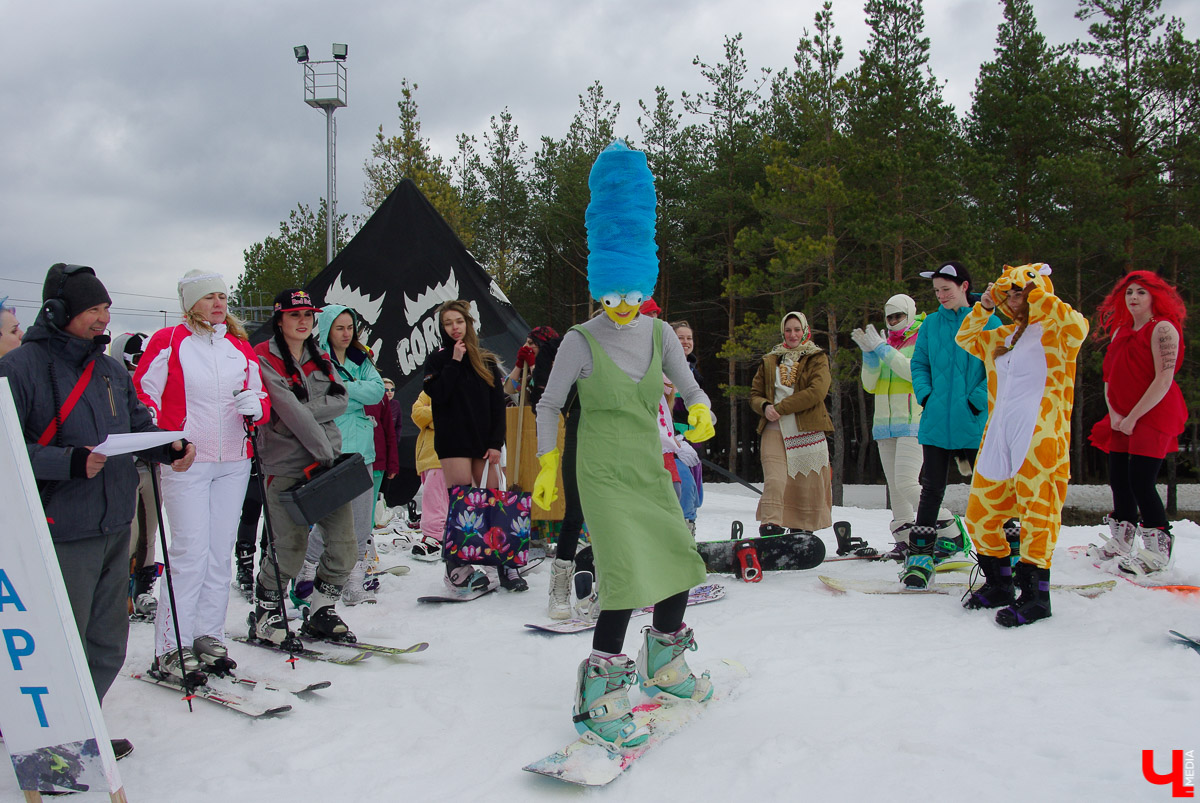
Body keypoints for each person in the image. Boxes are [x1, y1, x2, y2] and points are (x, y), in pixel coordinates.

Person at [533, 140, 717, 749]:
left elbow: (691, 387)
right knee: (619, 575)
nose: (620, 309)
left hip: (647, 465)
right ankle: (600, 694)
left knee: (674, 560)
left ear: (644, 286)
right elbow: (549, 403)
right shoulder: (580, 340)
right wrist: (547, 462)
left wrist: (701, 410)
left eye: (630, 297)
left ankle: (663, 665)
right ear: (598, 287)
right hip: (602, 472)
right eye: (609, 298)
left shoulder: (660, 332)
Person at [0, 263, 195, 758]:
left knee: (107, 640)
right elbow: (7, 447)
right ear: (59, 311)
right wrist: (67, 463)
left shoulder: (110, 369)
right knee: (59, 642)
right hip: (61, 528)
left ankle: (82, 723)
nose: (103, 318)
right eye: (92, 309)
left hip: (115, 523)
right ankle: (47, 739)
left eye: (106, 308)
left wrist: (167, 448)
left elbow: (135, 425)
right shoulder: (20, 367)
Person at [134, 270, 267, 677]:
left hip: (233, 461)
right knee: (189, 551)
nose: (218, 304)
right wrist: (165, 439)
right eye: (209, 297)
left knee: (218, 551)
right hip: (187, 461)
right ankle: (170, 644)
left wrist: (254, 406)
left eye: (223, 297)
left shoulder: (238, 347)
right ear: (191, 303)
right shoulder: (169, 341)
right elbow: (142, 393)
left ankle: (208, 634)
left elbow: (260, 396)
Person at [956, 263, 1088, 626]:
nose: (1015, 300)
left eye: (1021, 293)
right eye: (1010, 294)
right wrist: (983, 306)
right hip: (999, 436)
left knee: (1037, 515)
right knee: (980, 515)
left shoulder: (1059, 332)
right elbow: (965, 339)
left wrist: (1036, 291)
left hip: (1040, 439)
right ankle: (999, 584)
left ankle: (1035, 597)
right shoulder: (1002, 338)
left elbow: (1079, 324)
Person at [251, 289, 358, 644]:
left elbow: (341, 399)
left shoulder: (320, 355)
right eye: (294, 315)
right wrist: (301, 420)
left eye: (308, 315)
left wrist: (296, 413)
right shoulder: (262, 357)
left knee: (345, 545)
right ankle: (266, 615)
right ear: (279, 319)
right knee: (289, 549)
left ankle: (321, 611)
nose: (302, 321)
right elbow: (284, 406)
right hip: (287, 464)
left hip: (326, 464)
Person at [1087, 270, 1188, 576]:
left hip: (1153, 414)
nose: (1133, 298)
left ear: (1156, 296)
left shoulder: (1163, 329)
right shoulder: (1120, 330)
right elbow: (1109, 376)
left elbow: (1164, 378)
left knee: (1141, 481)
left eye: (1141, 292)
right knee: (1119, 478)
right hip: (1121, 417)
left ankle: (1158, 552)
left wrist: (1133, 416)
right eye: (1129, 292)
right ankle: (1121, 540)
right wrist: (1116, 414)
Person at [907, 261, 998, 589]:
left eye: (946, 289)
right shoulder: (930, 324)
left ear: (964, 286)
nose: (941, 295)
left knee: (989, 492)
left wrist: (976, 401)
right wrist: (927, 395)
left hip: (973, 422)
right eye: (936, 291)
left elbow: (998, 368)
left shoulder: (989, 321)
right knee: (931, 489)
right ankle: (919, 559)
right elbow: (919, 363)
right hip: (935, 421)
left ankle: (1001, 558)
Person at [422, 299, 521, 592]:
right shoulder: (437, 359)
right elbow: (438, 394)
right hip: (453, 441)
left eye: (459, 322)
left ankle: (506, 563)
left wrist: (495, 443)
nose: (455, 328)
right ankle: (458, 567)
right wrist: (454, 360)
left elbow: (497, 406)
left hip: (483, 441)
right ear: (442, 328)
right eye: (448, 323)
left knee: (493, 500)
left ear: (469, 323)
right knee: (463, 502)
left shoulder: (486, 359)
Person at [297, 305, 385, 606]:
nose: (347, 334)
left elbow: (377, 393)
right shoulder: (316, 357)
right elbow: (319, 396)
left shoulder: (361, 357)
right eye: (340, 328)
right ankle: (307, 571)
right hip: (331, 447)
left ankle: (354, 581)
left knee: (362, 521)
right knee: (331, 519)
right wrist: (354, 393)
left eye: (351, 327)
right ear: (327, 328)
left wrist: (344, 390)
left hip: (362, 448)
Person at [850, 294, 928, 558]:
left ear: (910, 313)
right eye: (889, 317)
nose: (893, 321)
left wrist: (883, 349)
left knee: (908, 483)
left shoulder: (921, 338)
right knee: (895, 488)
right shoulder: (885, 342)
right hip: (885, 426)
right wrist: (870, 356)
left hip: (913, 423)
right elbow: (870, 385)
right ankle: (906, 541)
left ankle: (947, 528)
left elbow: (911, 372)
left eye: (898, 316)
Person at [749, 311, 834, 537]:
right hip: (774, 429)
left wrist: (781, 407)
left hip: (806, 427)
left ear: (805, 330)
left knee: (805, 483)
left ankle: (802, 529)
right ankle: (771, 526)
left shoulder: (816, 357)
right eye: (788, 330)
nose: (793, 334)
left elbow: (817, 391)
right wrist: (765, 406)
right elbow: (755, 394)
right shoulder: (771, 359)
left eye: (797, 330)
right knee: (775, 479)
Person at [109, 331, 159, 621]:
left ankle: (144, 588)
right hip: (125, 467)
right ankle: (121, 590)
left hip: (150, 465)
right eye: (136, 359)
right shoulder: (112, 383)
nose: (141, 366)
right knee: (130, 533)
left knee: (149, 531)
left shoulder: (150, 382)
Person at [670, 320, 704, 534]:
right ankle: (684, 528)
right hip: (670, 441)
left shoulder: (694, 372)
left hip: (691, 441)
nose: (685, 342)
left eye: (689, 338)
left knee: (695, 494)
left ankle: (687, 525)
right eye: (680, 337)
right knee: (684, 484)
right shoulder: (662, 368)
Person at [410, 389, 447, 558]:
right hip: (426, 456)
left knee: (435, 498)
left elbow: (455, 415)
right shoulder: (430, 390)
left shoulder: (461, 384)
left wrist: (430, 418)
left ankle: (434, 538)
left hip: (444, 454)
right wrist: (441, 413)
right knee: (434, 497)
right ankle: (439, 536)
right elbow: (416, 413)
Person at [502, 326, 560, 404]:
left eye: (531, 343)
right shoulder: (528, 371)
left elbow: (543, 387)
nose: (525, 347)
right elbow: (509, 389)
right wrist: (519, 364)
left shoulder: (557, 367)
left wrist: (532, 364)